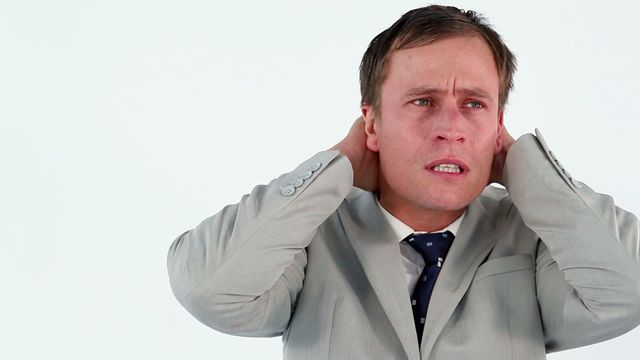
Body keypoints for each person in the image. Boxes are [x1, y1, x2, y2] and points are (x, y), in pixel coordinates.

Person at [167, 5, 640, 359]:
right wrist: (342, 163)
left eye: (474, 104)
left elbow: (629, 290)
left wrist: (524, 167)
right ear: (371, 122)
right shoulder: (310, 236)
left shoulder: (536, 239)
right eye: (423, 101)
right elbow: (209, 289)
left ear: (499, 123)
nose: (450, 127)